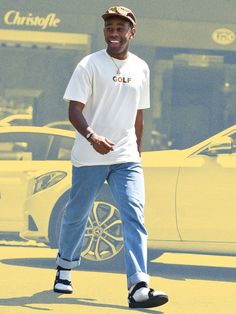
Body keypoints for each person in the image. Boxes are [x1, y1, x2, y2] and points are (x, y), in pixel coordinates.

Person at [53, 5, 168, 309]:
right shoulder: (88, 65)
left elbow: (138, 117)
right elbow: (74, 110)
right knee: (78, 213)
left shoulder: (142, 68)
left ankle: (139, 286)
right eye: (109, 28)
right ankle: (65, 267)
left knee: (134, 214)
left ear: (132, 32)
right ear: (104, 32)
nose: (114, 33)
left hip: (126, 157)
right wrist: (92, 136)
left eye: (120, 28)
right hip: (89, 155)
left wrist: (137, 154)